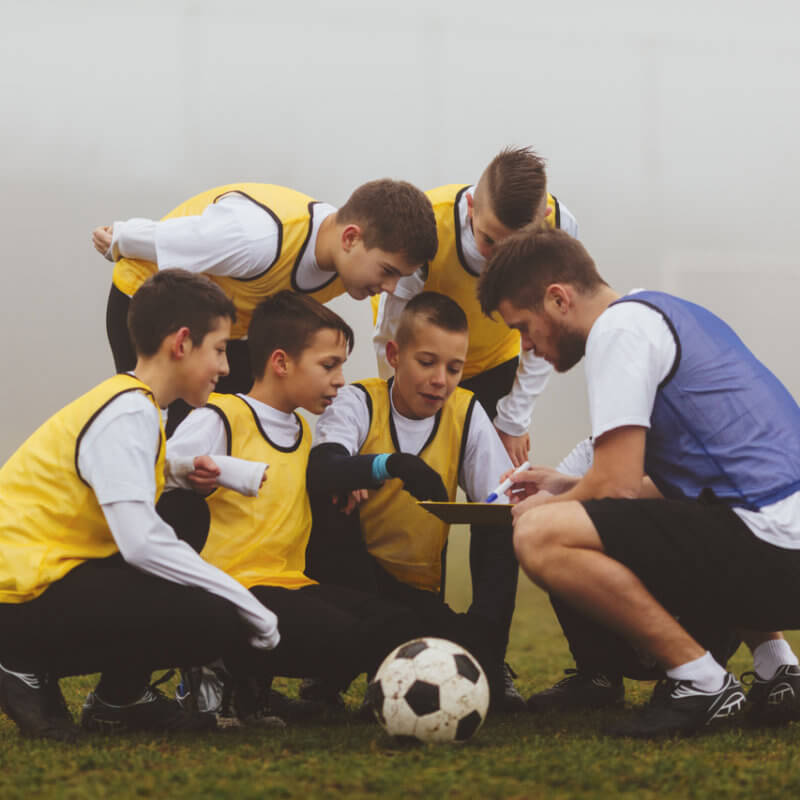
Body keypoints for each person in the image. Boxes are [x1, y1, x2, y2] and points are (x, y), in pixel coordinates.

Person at [477, 227, 800, 737]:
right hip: (779, 544)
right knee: (669, 507)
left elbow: (618, 486)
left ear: (557, 298)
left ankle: (700, 682)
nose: (528, 348)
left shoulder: (619, 330)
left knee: (540, 534)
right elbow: (683, 488)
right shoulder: (665, 310)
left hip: (776, 551)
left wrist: (547, 509)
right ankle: (777, 666)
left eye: (523, 327)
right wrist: (565, 486)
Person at [0, 270, 282, 742]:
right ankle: (20, 660)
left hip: (37, 586)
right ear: (182, 342)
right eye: (218, 349)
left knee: (187, 513)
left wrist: (188, 468)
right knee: (213, 618)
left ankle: (120, 698)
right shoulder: (129, 411)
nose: (225, 367)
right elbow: (141, 544)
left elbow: (109, 464)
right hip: (16, 598)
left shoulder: (133, 404)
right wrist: (246, 602)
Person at [371, 147, 578, 707]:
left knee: (499, 513)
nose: (498, 259)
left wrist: (513, 418)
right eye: (489, 242)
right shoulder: (428, 229)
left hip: (497, 374)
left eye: (515, 247)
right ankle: (384, 646)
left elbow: (544, 328)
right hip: (421, 368)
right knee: (403, 502)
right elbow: (392, 332)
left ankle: (488, 660)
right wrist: (387, 417)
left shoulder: (560, 225)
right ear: (470, 211)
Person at [164, 291, 425, 720]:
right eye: (329, 365)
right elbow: (156, 468)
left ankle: (253, 685)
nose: (340, 379)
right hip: (232, 591)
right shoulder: (221, 416)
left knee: (399, 625)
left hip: (290, 584)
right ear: (281, 363)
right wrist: (196, 470)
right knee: (341, 635)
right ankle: (214, 671)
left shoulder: (306, 434)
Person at [305, 292, 515, 710]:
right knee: (333, 500)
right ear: (394, 354)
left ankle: (489, 657)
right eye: (427, 362)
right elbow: (323, 468)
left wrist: (485, 631)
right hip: (351, 583)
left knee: (502, 525)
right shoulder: (359, 401)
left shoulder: (466, 412)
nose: (442, 379)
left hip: (419, 595)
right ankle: (330, 672)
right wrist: (382, 466)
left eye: (454, 368)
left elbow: (497, 507)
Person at [93, 179, 438, 432]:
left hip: (227, 326)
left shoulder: (363, 259)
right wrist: (120, 238)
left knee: (248, 424)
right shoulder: (256, 238)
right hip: (149, 300)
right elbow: (167, 237)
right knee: (177, 430)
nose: (389, 288)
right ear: (350, 238)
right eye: (387, 272)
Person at [515, 442, 740, 712]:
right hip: (619, 637)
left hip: (704, 603)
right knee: (558, 532)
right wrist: (553, 490)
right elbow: (602, 485)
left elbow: (631, 488)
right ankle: (598, 676)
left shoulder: (696, 438)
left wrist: (555, 500)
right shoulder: (600, 441)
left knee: (720, 528)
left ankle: (702, 676)